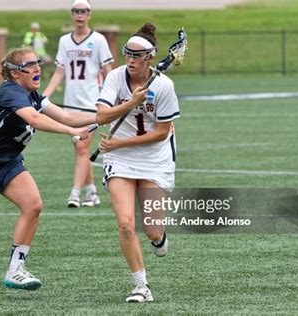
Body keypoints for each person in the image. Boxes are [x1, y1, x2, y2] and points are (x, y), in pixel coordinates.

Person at [0, 47, 95, 290]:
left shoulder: (33, 95)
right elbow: (36, 120)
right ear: (15, 74)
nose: (37, 68)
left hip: (6, 161)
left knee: (33, 205)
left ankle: (16, 271)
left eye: (38, 63)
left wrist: (106, 114)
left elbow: (67, 117)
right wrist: (72, 132)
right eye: (30, 65)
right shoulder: (10, 92)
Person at [95, 23, 180, 303]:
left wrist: (119, 142)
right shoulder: (115, 78)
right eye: (127, 54)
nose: (130, 61)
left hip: (154, 158)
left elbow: (161, 133)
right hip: (119, 160)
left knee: (152, 229)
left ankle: (158, 238)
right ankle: (141, 285)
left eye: (137, 56)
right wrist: (130, 102)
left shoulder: (164, 86)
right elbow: (103, 117)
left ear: (150, 58)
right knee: (125, 223)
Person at [43, 0, 114, 208]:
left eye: (84, 11)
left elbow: (108, 71)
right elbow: (59, 72)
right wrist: (43, 96)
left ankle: (74, 193)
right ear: (71, 15)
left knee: (82, 147)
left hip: (92, 103)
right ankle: (92, 192)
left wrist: (112, 97)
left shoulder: (99, 40)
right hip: (69, 106)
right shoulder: (65, 41)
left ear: (89, 15)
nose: (80, 15)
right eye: (76, 11)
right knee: (80, 149)